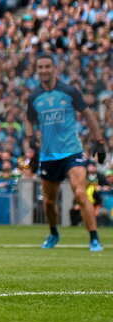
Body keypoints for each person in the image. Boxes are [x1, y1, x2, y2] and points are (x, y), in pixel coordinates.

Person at [24, 54, 104, 252]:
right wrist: (30, 138)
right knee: (49, 202)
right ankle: (53, 233)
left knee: (79, 192)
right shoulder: (34, 97)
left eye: (47, 67)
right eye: (40, 67)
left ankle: (94, 238)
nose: (43, 70)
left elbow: (87, 113)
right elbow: (28, 120)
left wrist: (99, 140)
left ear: (54, 68)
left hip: (72, 151)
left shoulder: (68, 91)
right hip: (49, 156)